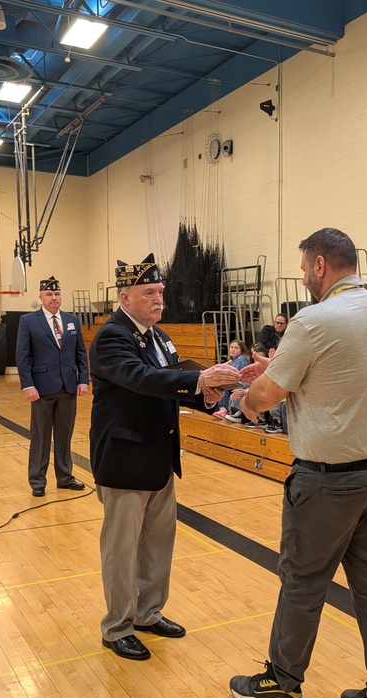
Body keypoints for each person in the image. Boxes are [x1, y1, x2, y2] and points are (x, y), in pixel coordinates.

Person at [229, 227, 367, 698]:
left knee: (303, 580)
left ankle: (283, 683)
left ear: (317, 266)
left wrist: (243, 401)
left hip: (331, 481)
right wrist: (283, 366)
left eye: (306, 268)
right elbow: (341, 369)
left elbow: (266, 395)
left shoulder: (313, 319)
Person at [89, 254, 239, 661]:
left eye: (160, 292)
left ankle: (147, 612)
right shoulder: (112, 336)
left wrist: (208, 393)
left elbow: (173, 380)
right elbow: (141, 379)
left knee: (158, 543)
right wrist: (199, 379)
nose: (158, 300)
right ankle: (117, 626)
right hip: (124, 458)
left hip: (157, 456)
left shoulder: (158, 335)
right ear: (125, 296)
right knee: (122, 550)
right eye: (149, 293)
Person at [16, 276, 90, 497]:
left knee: (64, 435)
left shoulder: (71, 320)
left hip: (68, 387)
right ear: (41, 297)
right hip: (41, 388)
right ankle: (37, 481)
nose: (54, 298)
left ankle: (65, 477)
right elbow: (23, 356)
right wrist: (28, 385)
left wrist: (83, 379)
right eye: (49, 294)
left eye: (57, 294)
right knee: (40, 436)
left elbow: (80, 352)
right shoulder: (29, 321)